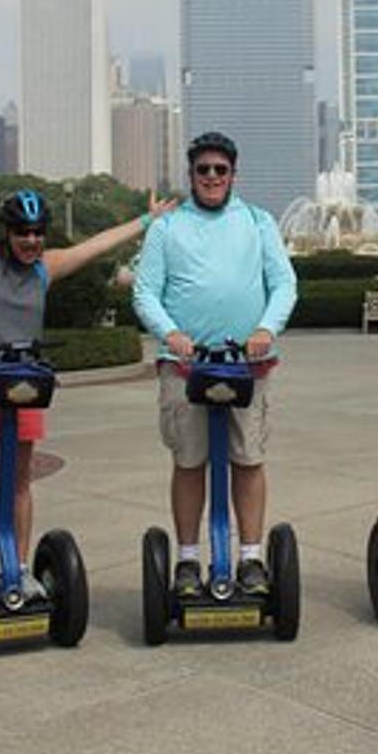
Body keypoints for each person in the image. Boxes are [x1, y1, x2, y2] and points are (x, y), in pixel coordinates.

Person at [0, 112, 172, 610]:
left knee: (18, 482)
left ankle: (18, 567)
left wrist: (148, 220)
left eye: (38, 232)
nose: (32, 241)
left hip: (20, 389)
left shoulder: (44, 268)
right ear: (7, 232)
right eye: (23, 233)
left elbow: (95, 245)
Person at [132, 130, 297, 597]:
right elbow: (145, 290)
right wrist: (171, 334)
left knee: (248, 459)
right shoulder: (167, 227)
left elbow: (283, 283)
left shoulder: (258, 221)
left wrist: (266, 329)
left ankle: (250, 558)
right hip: (184, 367)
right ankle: (187, 560)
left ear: (233, 175)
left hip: (248, 365)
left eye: (219, 170)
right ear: (191, 175)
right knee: (189, 462)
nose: (211, 177)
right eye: (202, 169)